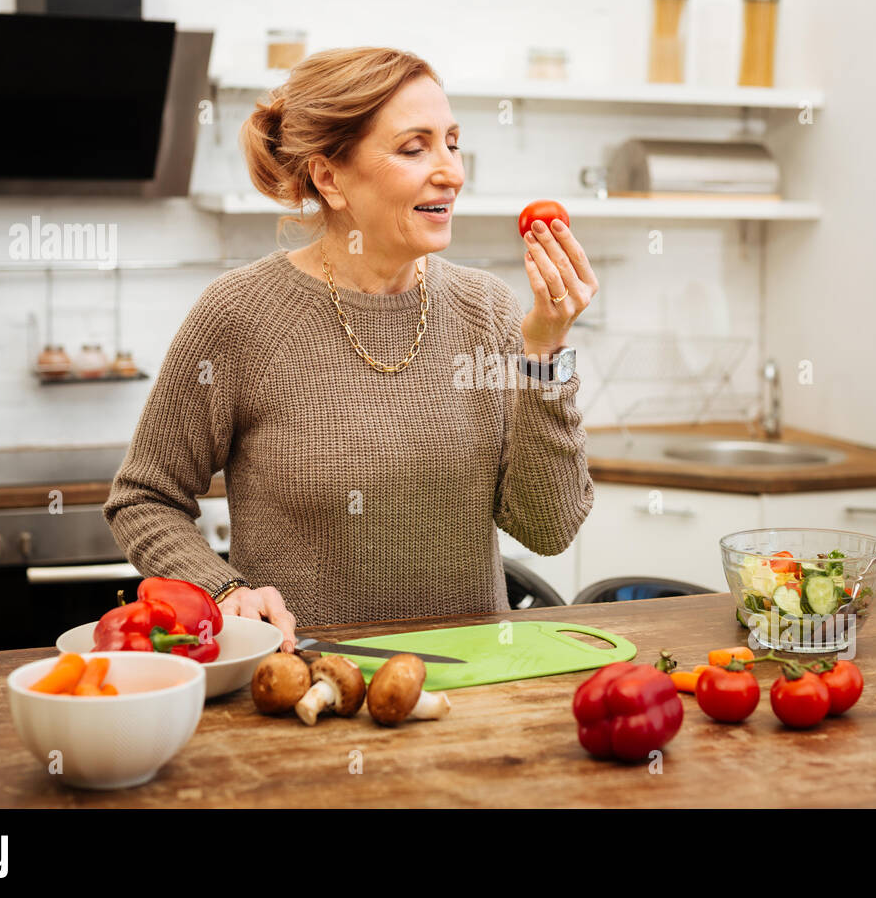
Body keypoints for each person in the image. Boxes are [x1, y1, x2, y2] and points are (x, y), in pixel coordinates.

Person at [103, 47, 598, 651]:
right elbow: (144, 497)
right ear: (329, 179)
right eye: (414, 148)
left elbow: (548, 529)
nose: (451, 172)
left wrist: (546, 354)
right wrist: (223, 590)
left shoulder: (488, 309)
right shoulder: (240, 316)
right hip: (304, 685)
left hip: (471, 689)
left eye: (452, 142)